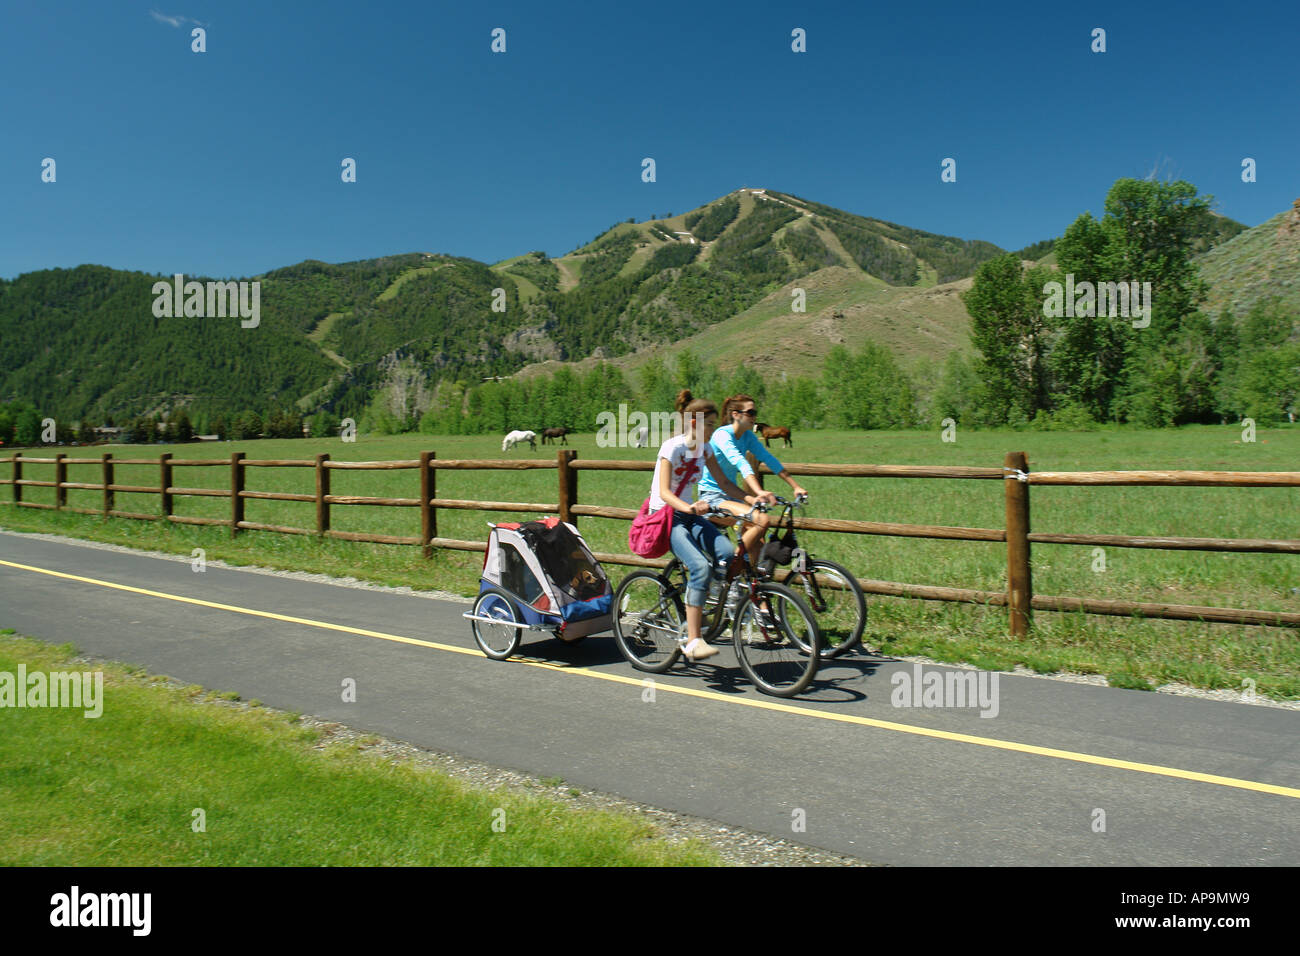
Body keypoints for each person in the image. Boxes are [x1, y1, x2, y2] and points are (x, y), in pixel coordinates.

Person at [647, 390, 754, 661]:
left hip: (689, 514)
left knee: (727, 553)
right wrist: (690, 507)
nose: (713, 429)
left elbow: (725, 484)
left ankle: (704, 603)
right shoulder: (673, 447)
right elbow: (663, 492)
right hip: (667, 516)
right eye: (709, 423)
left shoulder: (705, 449)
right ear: (694, 423)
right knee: (699, 566)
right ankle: (694, 640)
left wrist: (753, 499)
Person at [697, 394, 808, 574]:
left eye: (755, 412)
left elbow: (768, 458)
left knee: (758, 542)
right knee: (759, 522)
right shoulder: (722, 435)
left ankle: (755, 592)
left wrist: (795, 486)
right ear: (736, 414)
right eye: (751, 412)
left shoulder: (748, 436)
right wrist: (758, 491)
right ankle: (731, 572)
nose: (755, 416)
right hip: (711, 496)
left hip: (732, 494)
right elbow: (740, 462)